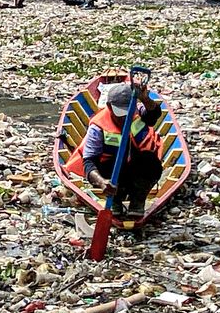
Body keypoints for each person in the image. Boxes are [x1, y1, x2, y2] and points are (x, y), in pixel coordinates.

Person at [65, 81, 164, 218]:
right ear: (109, 107)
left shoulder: (138, 113)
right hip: (111, 172)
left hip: (136, 167)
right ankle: (115, 201)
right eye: (120, 113)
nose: (124, 118)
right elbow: (89, 162)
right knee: (107, 173)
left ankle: (137, 201)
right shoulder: (98, 127)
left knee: (150, 162)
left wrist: (145, 98)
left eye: (127, 112)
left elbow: (154, 115)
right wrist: (101, 182)